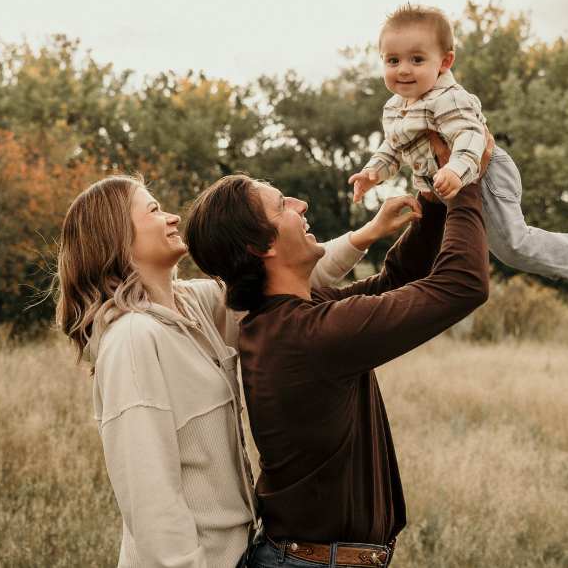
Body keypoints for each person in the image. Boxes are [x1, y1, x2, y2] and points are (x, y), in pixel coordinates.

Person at [55, 174, 416, 568]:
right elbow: (149, 495)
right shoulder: (132, 339)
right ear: (117, 237)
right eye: (155, 210)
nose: (173, 217)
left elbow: (287, 275)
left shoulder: (193, 304)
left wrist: (370, 232)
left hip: (241, 555)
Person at [183, 133, 493, 568]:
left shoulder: (291, 317)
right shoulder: (305, 335)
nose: (301, 205)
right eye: (282, 206)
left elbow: (394, 283)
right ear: (261, 247)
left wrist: (434, 194)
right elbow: (463, 286)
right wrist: (466, 177)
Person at [348, 2, 568, 296]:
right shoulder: (395, 107)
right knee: (447, 252)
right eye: (393, 61)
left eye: (416, 59)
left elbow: (470, 135)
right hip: (449, 182)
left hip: (484, 173)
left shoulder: (446, 97)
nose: (404, 70)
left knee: (513, 246)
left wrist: (455, 170)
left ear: (444, 62)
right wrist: (373, 172)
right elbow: (393, 146)